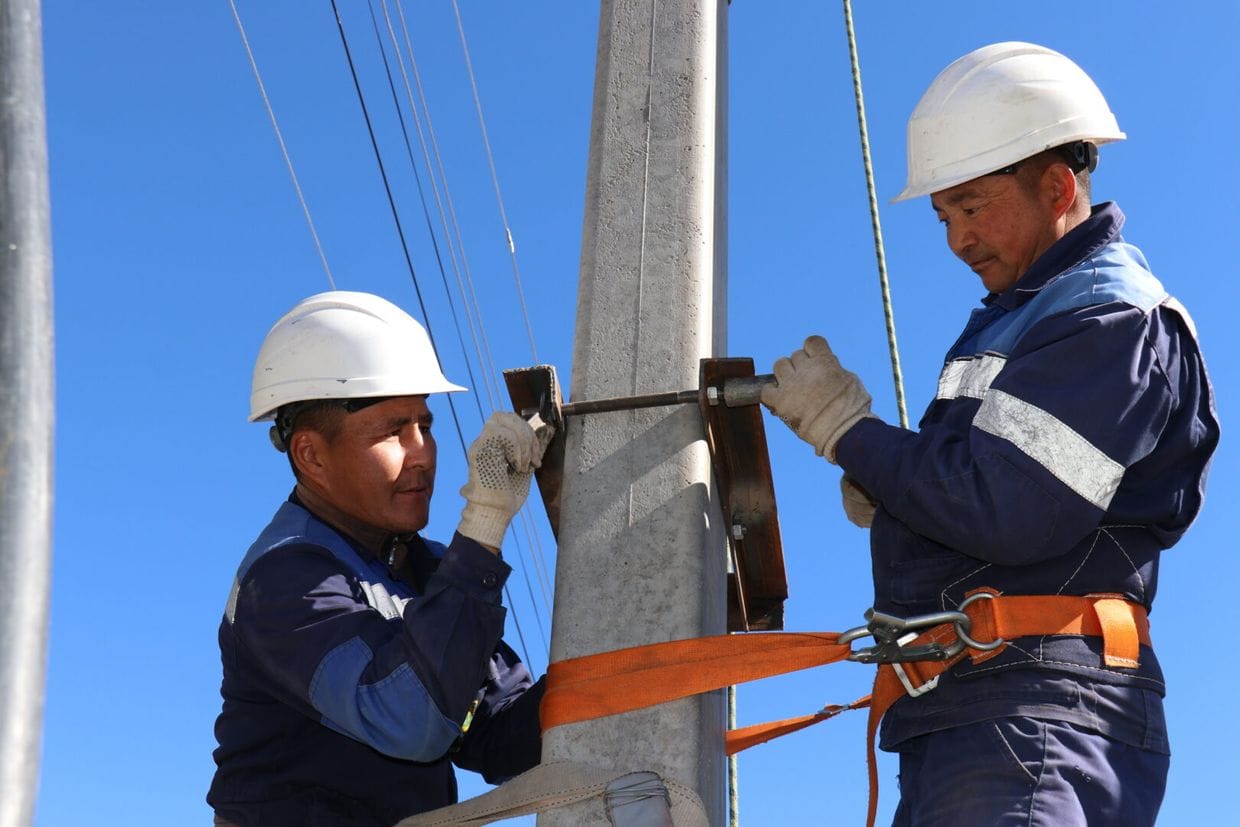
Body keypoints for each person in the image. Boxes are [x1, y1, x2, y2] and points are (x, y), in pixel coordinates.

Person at [761, 42, 1218, 825]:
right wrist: (901, 498)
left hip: (1036, 706)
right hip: (985, 707)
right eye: (944, 216)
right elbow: (986, 483)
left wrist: (851, 433)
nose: (957, 240)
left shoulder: (1106, 314)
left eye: (972, 206)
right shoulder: (1026, 317)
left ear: (1057, 186)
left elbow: (1002, 503)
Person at [207, 291, 552, 826]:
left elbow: (502, 735)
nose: (422, 455)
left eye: (426, 426)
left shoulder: (428, 572)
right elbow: (409, 721)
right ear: (311, 455)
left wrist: (625, 629)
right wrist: (484, 520)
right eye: (393, 431)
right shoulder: (284, 579)